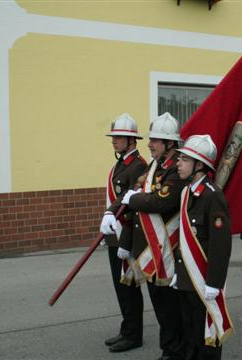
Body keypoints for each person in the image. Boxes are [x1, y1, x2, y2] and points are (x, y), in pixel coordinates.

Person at [119, 112, 187, 360]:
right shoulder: (155, 166)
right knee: (161, 305)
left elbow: (161, 201)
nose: (150, 144)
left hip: (167, 250)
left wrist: (133, 199)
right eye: (151, 140)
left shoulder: (176, 169)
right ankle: (169, 348)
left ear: (170, 144)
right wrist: (113, 210)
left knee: (170, 307)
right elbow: (136, 189)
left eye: (156, 140)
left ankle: (174, 351)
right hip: (150, 247)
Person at [173, 134, 233, 360]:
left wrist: (214, 283)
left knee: (206, 334)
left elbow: (221, 245)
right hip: (187, 277)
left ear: (199, 165)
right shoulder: (186, 192)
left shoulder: (213, 196)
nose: (178, 163)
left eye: (184, 159)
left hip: (204, 279)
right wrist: (179, 272)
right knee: (190, 331)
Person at [99, 113, 147, 352]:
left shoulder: (138, 166)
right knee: (120, 286)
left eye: (119, 137)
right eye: (114, 137)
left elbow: (128, 201)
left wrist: (111, 213)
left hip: (127, 234)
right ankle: (126, 327)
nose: (114, 141)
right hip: (114, 233)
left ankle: (133, 334)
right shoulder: (122, 162)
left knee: (128, 285)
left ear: (131, 141)